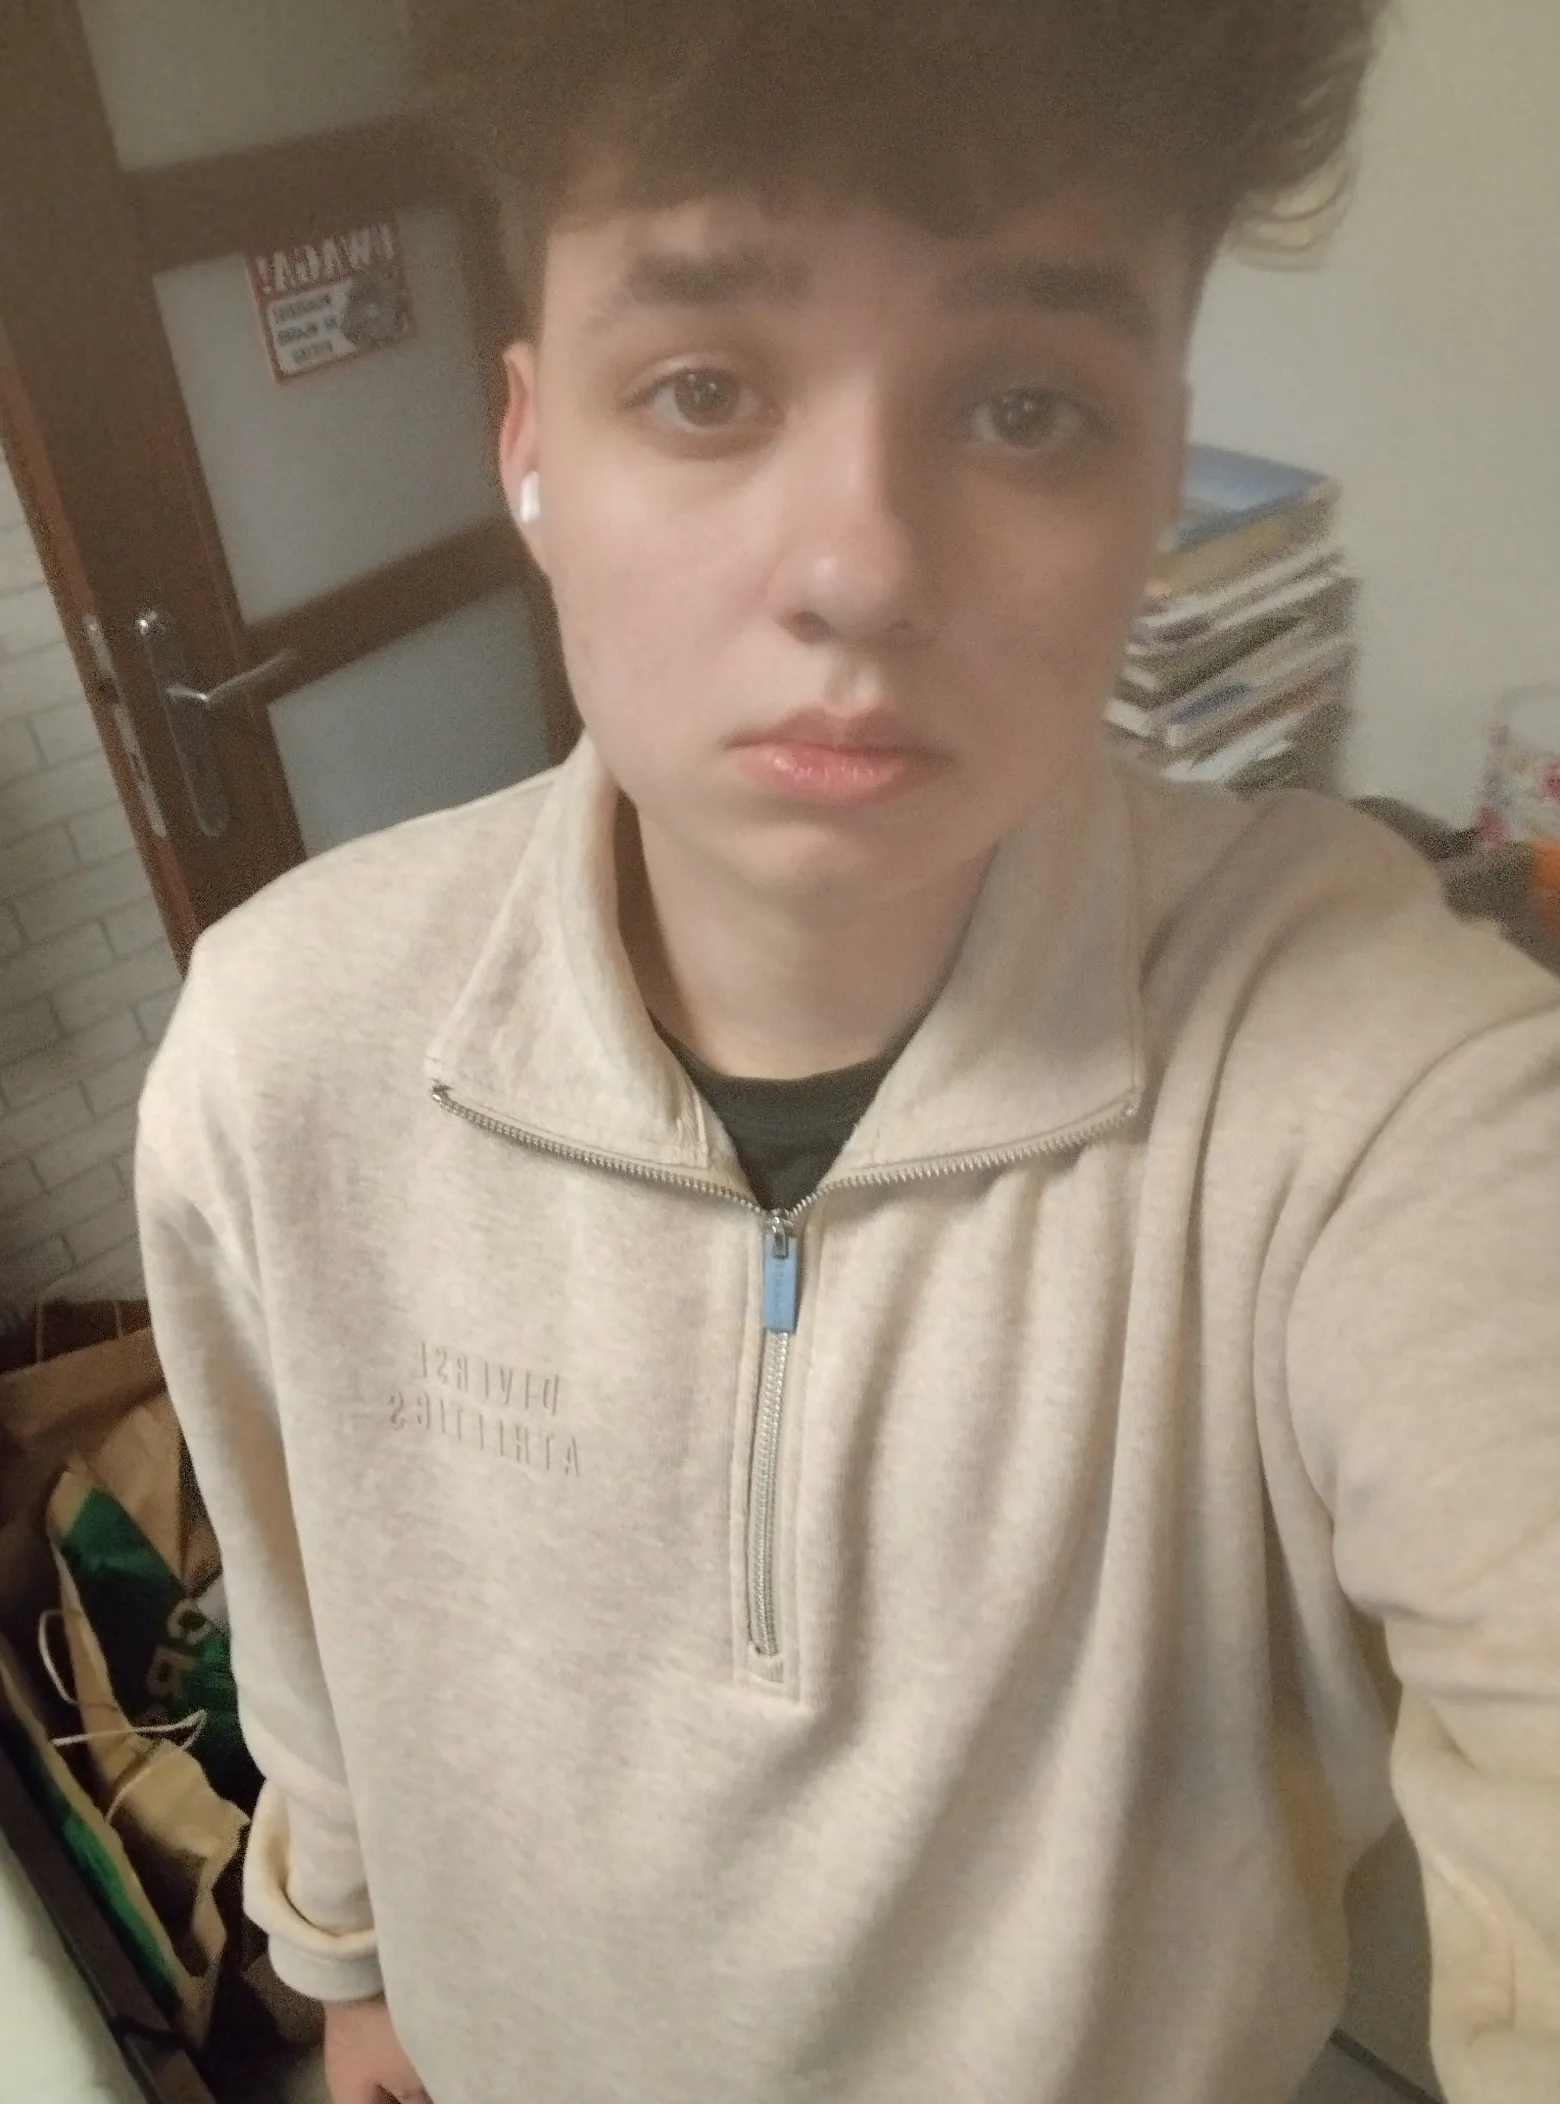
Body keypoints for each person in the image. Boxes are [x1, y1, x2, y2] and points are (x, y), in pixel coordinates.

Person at [134, 4, 1560, 2100]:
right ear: (530, 447)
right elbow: (305, 1600)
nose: (862, 569)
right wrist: (347, 1955)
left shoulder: (1386, 1090)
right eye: (704, 388)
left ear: (1161, 467)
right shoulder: (282, 1057)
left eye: (1025, 408)